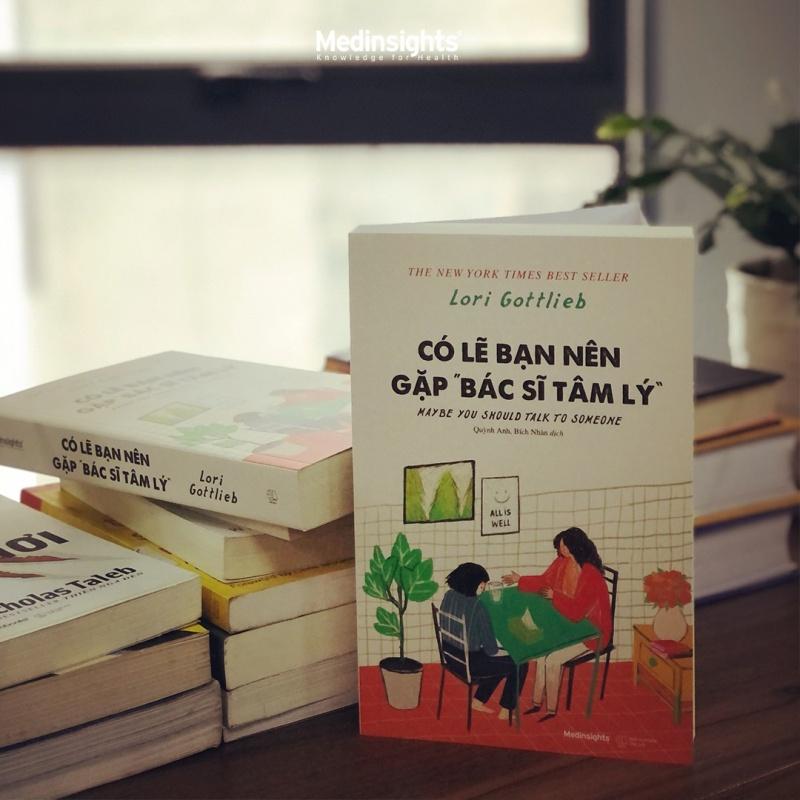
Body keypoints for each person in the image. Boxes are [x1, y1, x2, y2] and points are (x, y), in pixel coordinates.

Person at [501, 527, 611, 721]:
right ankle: (537, 703)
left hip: (592, 631)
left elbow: (577, 611)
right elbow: (544, 580)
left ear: (575, 546)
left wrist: (555, 596)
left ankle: (551, 709)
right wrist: (521, 580)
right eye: (560, 547)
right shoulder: (562, 562)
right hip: (570, 624)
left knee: (552, 659)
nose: (561, 551)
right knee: (541, 652)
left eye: (564, 547)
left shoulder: (591, 574)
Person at [439, 562, 528, 722]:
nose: (484, 588)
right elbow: (491, 649)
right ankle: (507, 710)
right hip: (470, 665)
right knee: (519, 662)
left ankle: (478, 700)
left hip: (451, 657)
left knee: (500, 661)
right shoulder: (478, 606)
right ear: (478, 584)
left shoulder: (449, 595)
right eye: (483, 585)